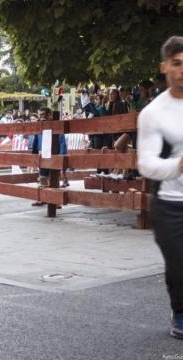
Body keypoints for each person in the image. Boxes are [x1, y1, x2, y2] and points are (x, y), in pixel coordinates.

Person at [137, 36, 183, 340]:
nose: (182, 71)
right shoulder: (153, 113)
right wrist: (179, 165)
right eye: (177, 64)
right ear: (164, 66)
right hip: (170, 203)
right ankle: (180, 311)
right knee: (179, 264)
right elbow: (146, 164)